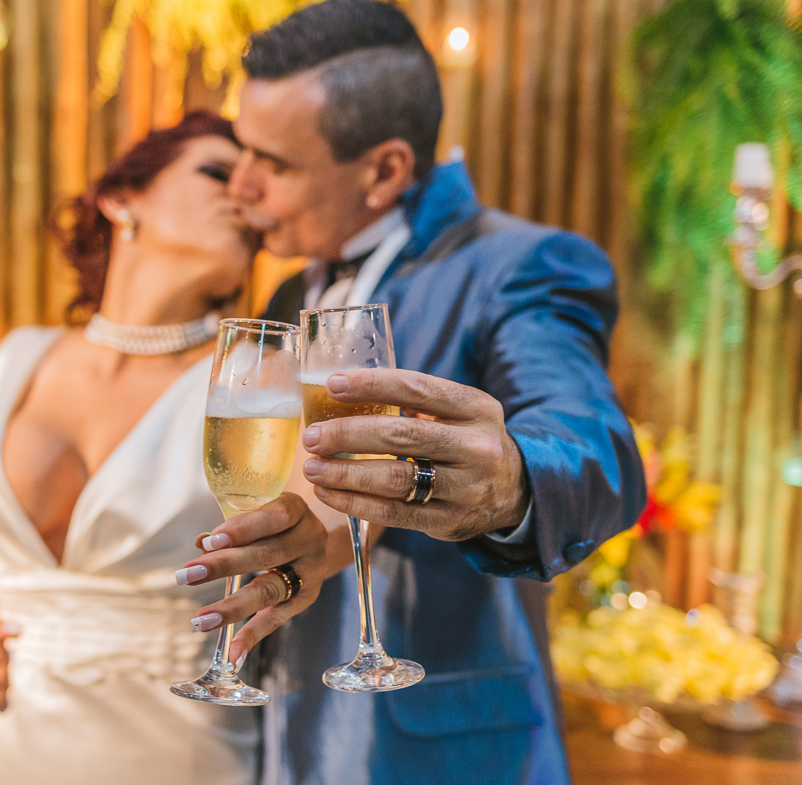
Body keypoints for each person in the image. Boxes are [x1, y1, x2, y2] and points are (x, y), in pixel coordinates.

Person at [173, 2, 647, 784]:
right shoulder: (291, 288)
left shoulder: (519, 264)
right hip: (289, 741)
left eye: (274, 163)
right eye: (241, 149)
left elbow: (596, 444)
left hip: (447, 755)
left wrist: (510, 481)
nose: (242, 185)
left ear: (385, 170)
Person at [0, 112, 327, 785]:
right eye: (217, 171)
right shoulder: (19, 358)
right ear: (122, 199)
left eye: (255, 182)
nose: (242, 192)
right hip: (15, 749)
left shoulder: (257, 381)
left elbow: (325, 528)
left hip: (182, 752)